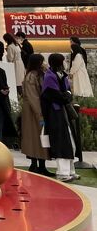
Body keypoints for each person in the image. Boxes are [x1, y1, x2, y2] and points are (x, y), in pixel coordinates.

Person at [41, 52, 80, 182]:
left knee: (70, 142)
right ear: (58, 63)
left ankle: (70, 171)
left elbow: (66, 95)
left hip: (63, 113)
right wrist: (66, 95)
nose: (65, 63)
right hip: (55, 114)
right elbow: (58, 97)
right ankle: (63, 173)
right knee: (61, 142)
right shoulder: (49, 77)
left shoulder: (61, 75)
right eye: (63, 61)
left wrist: (66, 95)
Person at [20, 54, 52, 175]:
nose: (44, 63)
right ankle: (37, 165)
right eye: (42, 61)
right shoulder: (32, 77)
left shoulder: (34, 75)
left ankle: (38, 165)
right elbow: (34, 97)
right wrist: (40, 114)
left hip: (33, 110)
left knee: (37, 138)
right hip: (34, 111)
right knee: (36, 138)